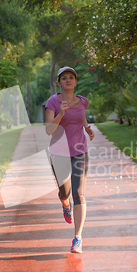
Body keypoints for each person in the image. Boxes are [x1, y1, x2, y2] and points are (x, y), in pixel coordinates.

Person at [45, 66, 94, 253]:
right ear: (59, 82)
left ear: (75, 81)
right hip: (59, 152)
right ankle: (65, 205)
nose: (68, 80)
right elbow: (49, 130)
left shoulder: (83, 101)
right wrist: (61, 114)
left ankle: (78, 238)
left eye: (71, 77)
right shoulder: (53, 101)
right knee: (64, 193)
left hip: (80, 151)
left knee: (78, 193)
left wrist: (87, 128)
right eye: (64, 78)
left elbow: (81, 117)